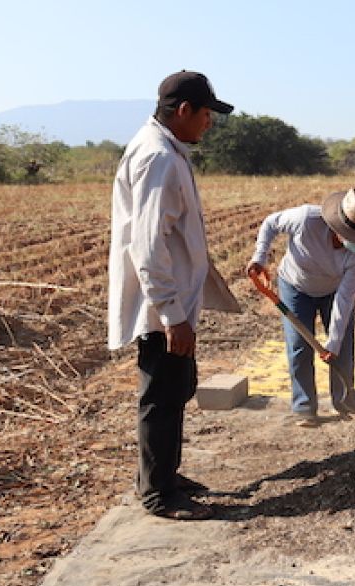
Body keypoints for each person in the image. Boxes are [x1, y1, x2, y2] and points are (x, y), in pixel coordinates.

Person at [108, 70, 234, 520]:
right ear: (183, 111)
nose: (209, 123)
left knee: (176, 388)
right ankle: (158, 493)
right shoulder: (158, 157)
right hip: (166, 307)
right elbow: (147, 243)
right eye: (205, 114)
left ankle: (164, 475)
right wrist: (171, 313)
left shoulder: (165, 149)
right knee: (162, 396)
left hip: (174, 302)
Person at [246, 188, 355, 426]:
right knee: (299, 345)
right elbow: (270, 223)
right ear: (337, 227)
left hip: (333, 292)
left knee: (342, 346)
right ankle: (304, 407)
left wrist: (332, 343)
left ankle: (344, 401)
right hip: (295, 287)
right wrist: (259, 258)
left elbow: (345, 299)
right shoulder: (306, 220)